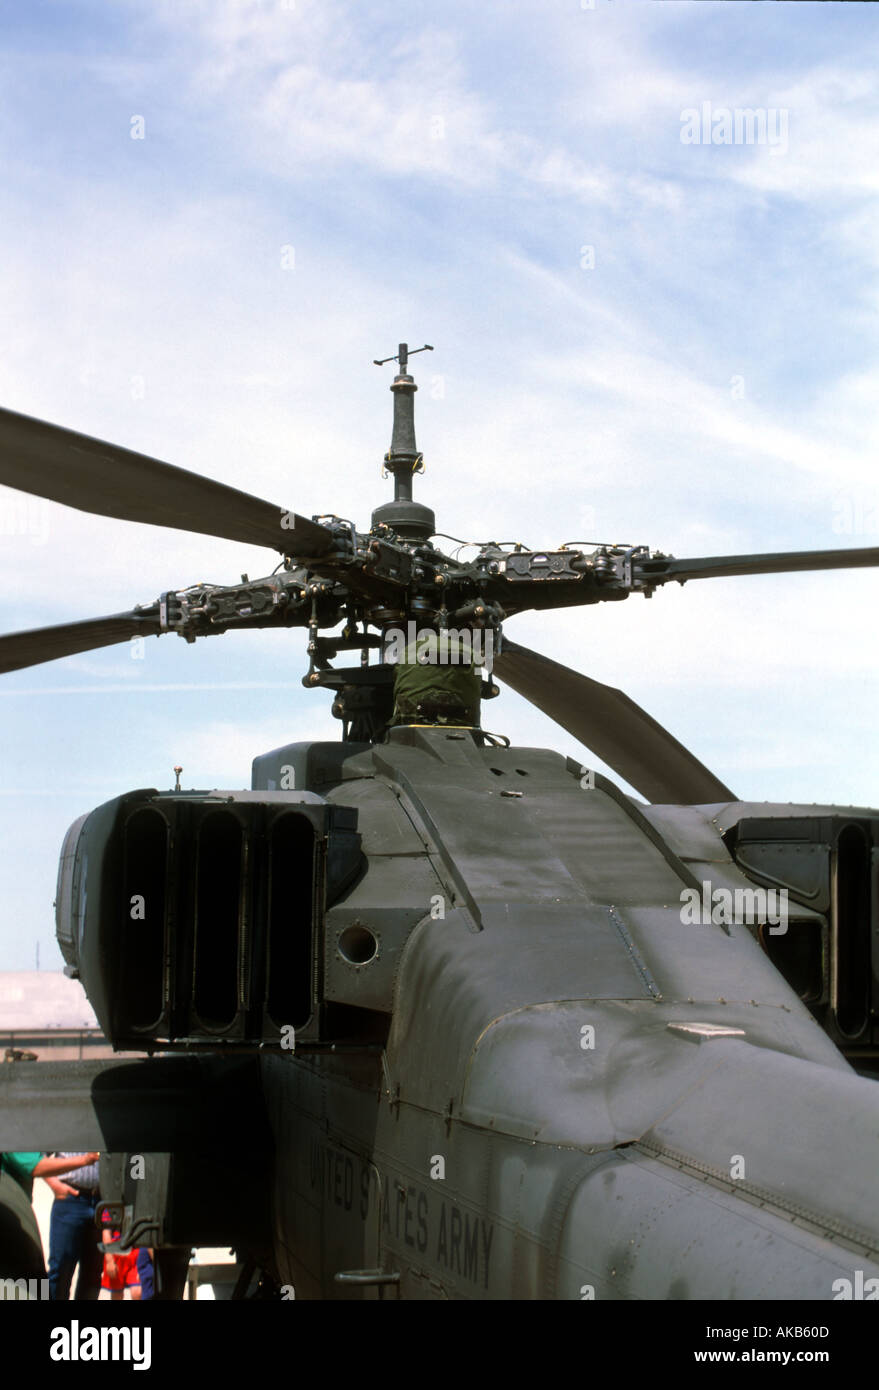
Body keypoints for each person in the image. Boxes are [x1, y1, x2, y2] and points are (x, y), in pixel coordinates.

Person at [45, 1153, 104, 1301]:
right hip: (71, 1199)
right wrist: (55, 1185)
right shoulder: (65, 1128)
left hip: (102, 1201)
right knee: (61, 1268)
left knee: (93, 1272)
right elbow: (38, 1156)